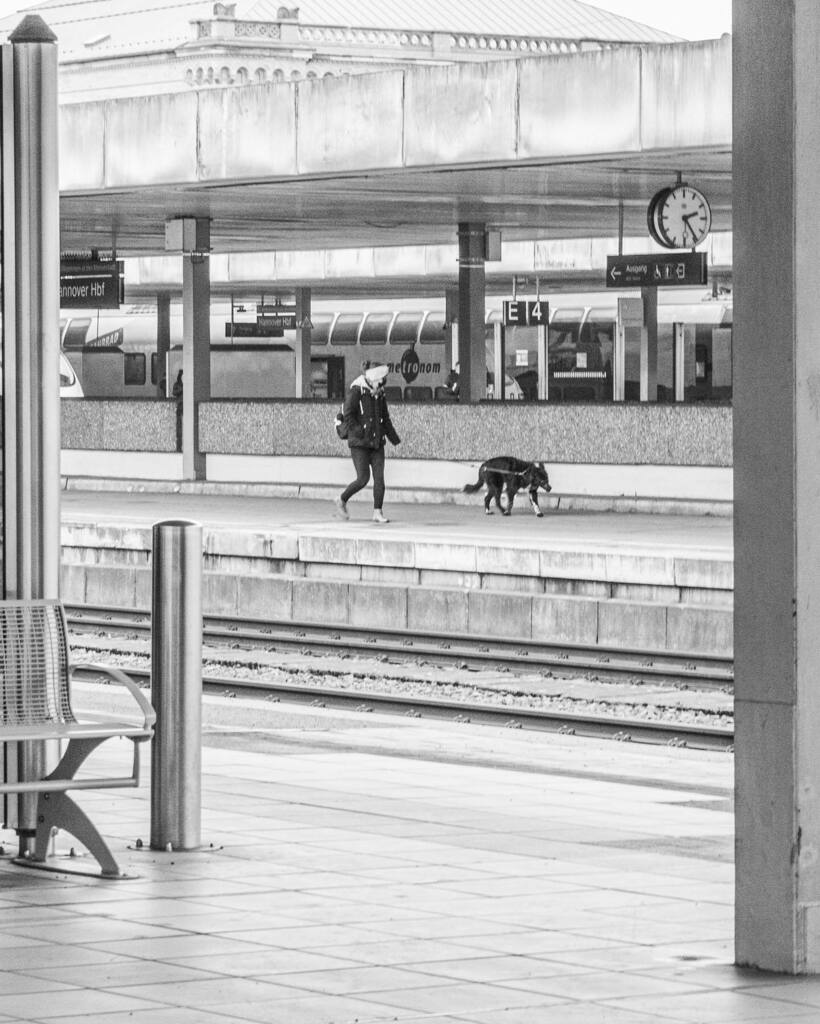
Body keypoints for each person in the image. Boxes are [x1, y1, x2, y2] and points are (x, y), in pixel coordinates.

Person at [335, 363, 400, 523]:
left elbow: (385, 418)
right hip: (359, 443)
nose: (382, 385)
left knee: (379, 478)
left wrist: (394, 439)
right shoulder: (357, 391)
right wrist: (359, 431)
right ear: (373, 379)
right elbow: (348, 415)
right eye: (381, 382)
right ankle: (342, 500)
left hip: (377, 442)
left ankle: (377, 512)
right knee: (363, 478)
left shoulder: (380, 394)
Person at [172, 369, 183, 451]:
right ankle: (179, 447)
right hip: (180, 407)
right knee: (179, 429)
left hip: (184, 407)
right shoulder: (178, 385)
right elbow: (174, 392)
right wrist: (182, 389)